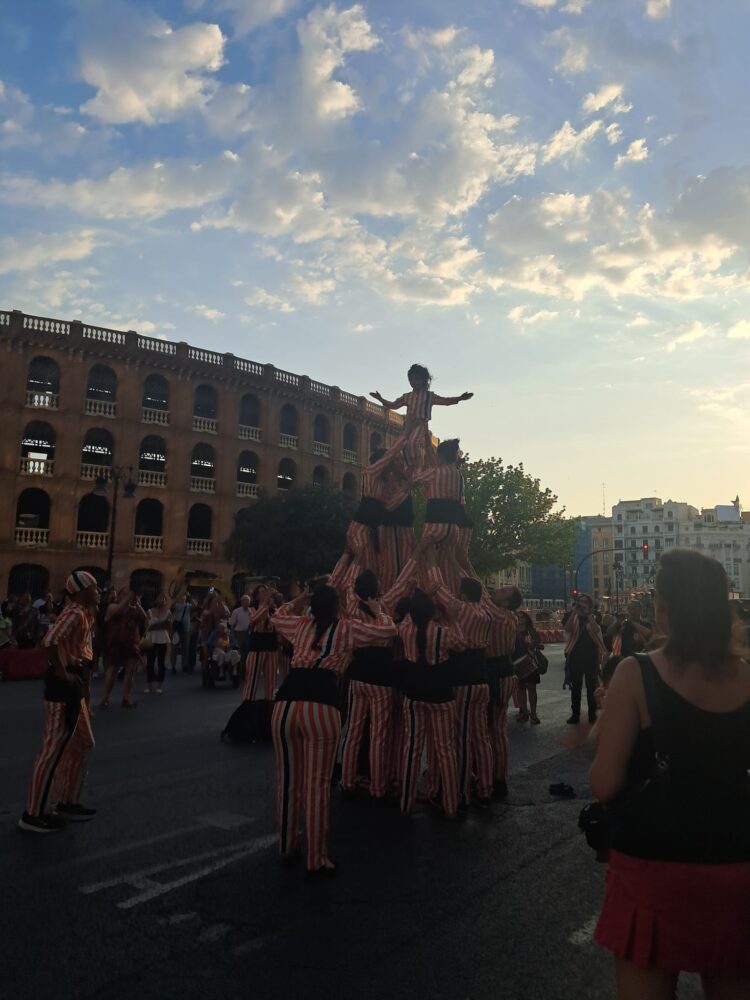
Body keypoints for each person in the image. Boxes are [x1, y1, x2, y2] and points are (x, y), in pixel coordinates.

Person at [591, 549, 750, 999]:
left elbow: (605, 783)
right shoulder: (747, 678)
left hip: (653, 871)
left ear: (665, 608)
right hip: (736, 867)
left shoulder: (635, 673)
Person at [270, 584, 397, 874]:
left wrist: (299, 599)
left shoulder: (300, 625)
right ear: (338, 607)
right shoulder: (348, 629)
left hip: (285, 703)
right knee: (317, 784)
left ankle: (286, 846)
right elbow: (387, 632)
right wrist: (379, 612)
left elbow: (277, 615)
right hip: (322, 703)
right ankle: (317, 858)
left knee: (288, 779)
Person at [18, 570, 100, 833]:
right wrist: (62, 672)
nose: (98, 590)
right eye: (94, 587)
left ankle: (67, 800)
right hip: (63, 685)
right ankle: (33, 814)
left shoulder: (85, 613)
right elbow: (50, 641)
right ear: (81, 591)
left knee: (81, 742)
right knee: (51, 749)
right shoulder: (74, 612)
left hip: (75, 683)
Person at [398, 587, 464, 819]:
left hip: (413, 693)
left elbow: (408, 617)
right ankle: (451, 805)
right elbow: (461, 643)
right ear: (433, 611)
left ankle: (405, 802)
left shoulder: (406, 629)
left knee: (411, 748)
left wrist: (421, 596)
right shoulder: (442, 632)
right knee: (445, 749)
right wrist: (453, 619)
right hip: (440, 695)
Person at [370, 364, 473, 468]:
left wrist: (459, 398)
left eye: (416, 379)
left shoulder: (429, 396)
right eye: (411, 379)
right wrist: (381, 399)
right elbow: (394, 405)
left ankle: (415, 468)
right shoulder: (407, 396)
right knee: (398, 447)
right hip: (408, 425)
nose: (413, 382)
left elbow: (445, 401)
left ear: (423, 380)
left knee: (412, 444)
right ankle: (409, 468)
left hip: (421, 425)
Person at [484, 585, 521, 798]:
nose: (497, 590)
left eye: (503, 591)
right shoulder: (510, 617)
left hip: (496, 674)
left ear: (506, 603)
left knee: (491, 729)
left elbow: (480, 593)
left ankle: (492, 777)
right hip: (505, 672)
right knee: (498, 727)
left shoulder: (496, 613)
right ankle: (499, 776)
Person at [100, 589, 147, 708]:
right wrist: (128, 599)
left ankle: (126, 698)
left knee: (130, 673)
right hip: (116, 643)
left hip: (131, 643)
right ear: (120, 596)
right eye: (126, 594)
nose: (129, 596)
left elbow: (144, 617)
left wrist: (136, 602)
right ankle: (105, 698)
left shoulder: (134, 608)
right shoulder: (112, 606)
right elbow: (117, 610)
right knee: (112, 671)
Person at [564, 593, 606, 725]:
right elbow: (568, 629)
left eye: (585, 602)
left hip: (591, 656)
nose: (582, 604)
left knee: (591, 686)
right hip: (576, 656)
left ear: (590, 604)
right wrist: (574, 613)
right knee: (576, 687)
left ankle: (592, 714)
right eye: (580, 601)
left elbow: (596, 629)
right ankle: (575, 714)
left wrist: (588, 614)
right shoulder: (573, 616)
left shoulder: (595, 616)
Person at [242, 585, 284, 701]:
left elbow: (273, 626)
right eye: (262, 592)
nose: (265, 594)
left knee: (271, 682)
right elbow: (255, 619)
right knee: (252, 680)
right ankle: (248, 706)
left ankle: (268, 708)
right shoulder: (252, 609)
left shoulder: (274, 611)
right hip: (257, 649)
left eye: (266, 592)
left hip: (271, 649)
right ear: (256, 596)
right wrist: (265, 603)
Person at [516, 610, 544, 726]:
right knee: (520, 688)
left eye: (522, 617)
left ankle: (533, 713)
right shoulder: (512, 631)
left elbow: (540, 645)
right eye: (518, 617)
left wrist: (534, 645)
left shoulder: (531, 631)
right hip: (517, 663)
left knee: (532, 689)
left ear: (526, 619)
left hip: (531, 662)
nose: (520, 619)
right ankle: (523, 711)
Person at [144, 592, 172, 694]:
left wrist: (159, 625)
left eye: (164, 599)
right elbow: (147, 627)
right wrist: (160, 624)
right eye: (160, 598)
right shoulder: (150, 611)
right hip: (152, 638)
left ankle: (159, 684)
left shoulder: (168, 612)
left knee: (161, 662)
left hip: (163, 638)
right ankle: (149, 683)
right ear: (156, 600)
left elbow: (169, 627)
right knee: (150, 662)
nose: (162, 601)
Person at [229, 594, 253, 666]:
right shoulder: (236, 611)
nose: (246, 602)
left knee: (248, 652)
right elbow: (232, 624)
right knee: (240, 653)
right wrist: (233, 635)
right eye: (244, 600)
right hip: (239, 634)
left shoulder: (252, 611)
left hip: (249, 633)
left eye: (247, 601)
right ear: (241, 602)